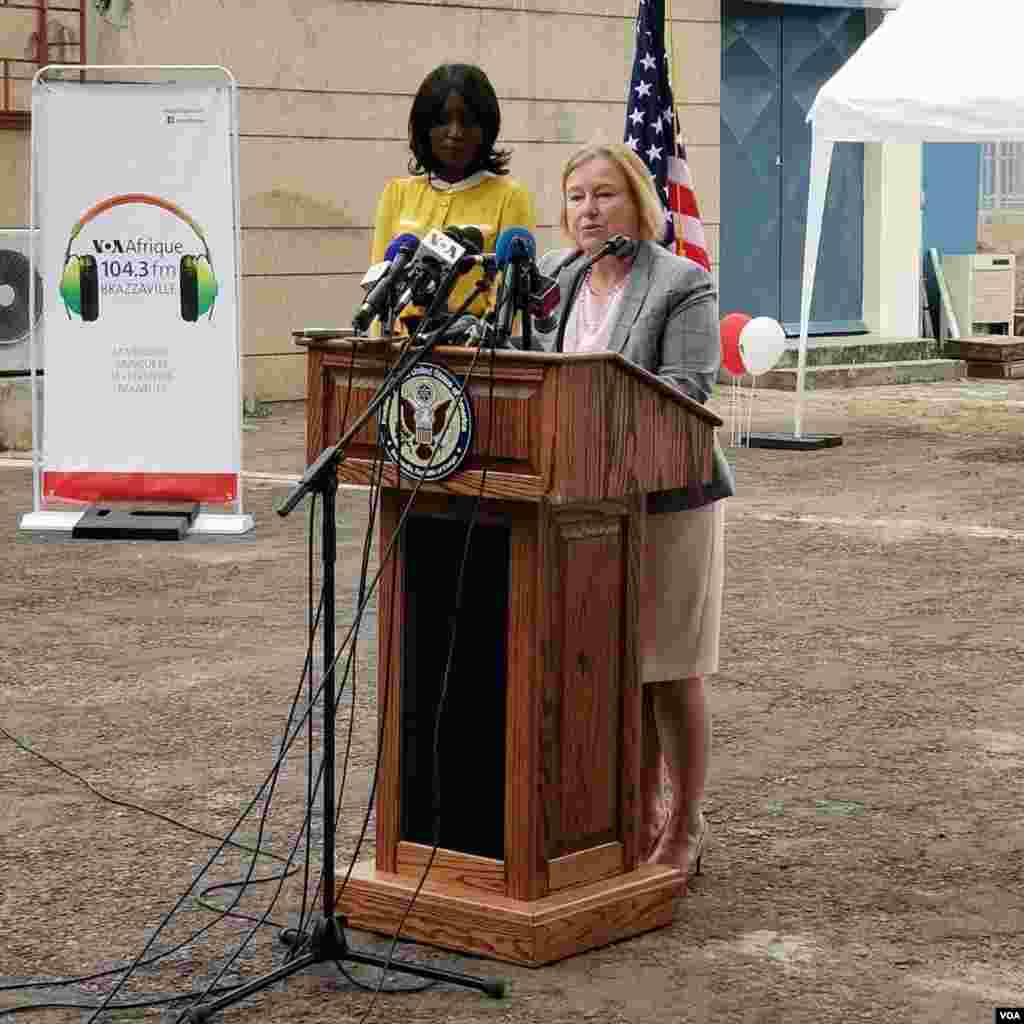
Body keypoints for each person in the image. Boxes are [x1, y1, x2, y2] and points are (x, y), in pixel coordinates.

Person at [532, 142, 730, 878]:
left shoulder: (682, 283)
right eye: (577, 195)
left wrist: (593, 405)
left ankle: (686, 822)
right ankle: (634, 810)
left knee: (669, 667)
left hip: (668, 498)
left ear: (639, 202)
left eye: (605, 194)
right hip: (579, 505)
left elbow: (688, 390)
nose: (589, 209)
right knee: (615, 669)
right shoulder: (550, 277)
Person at [370, 63, 537, 332]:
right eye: (442, 120)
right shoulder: (396, 193)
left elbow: (509, 304)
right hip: (399, 355)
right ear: (424, 128)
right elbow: (379, 291)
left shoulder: (510, 196)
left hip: (472, 357)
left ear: (486, 128)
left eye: (468, 121)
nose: (455, 132)